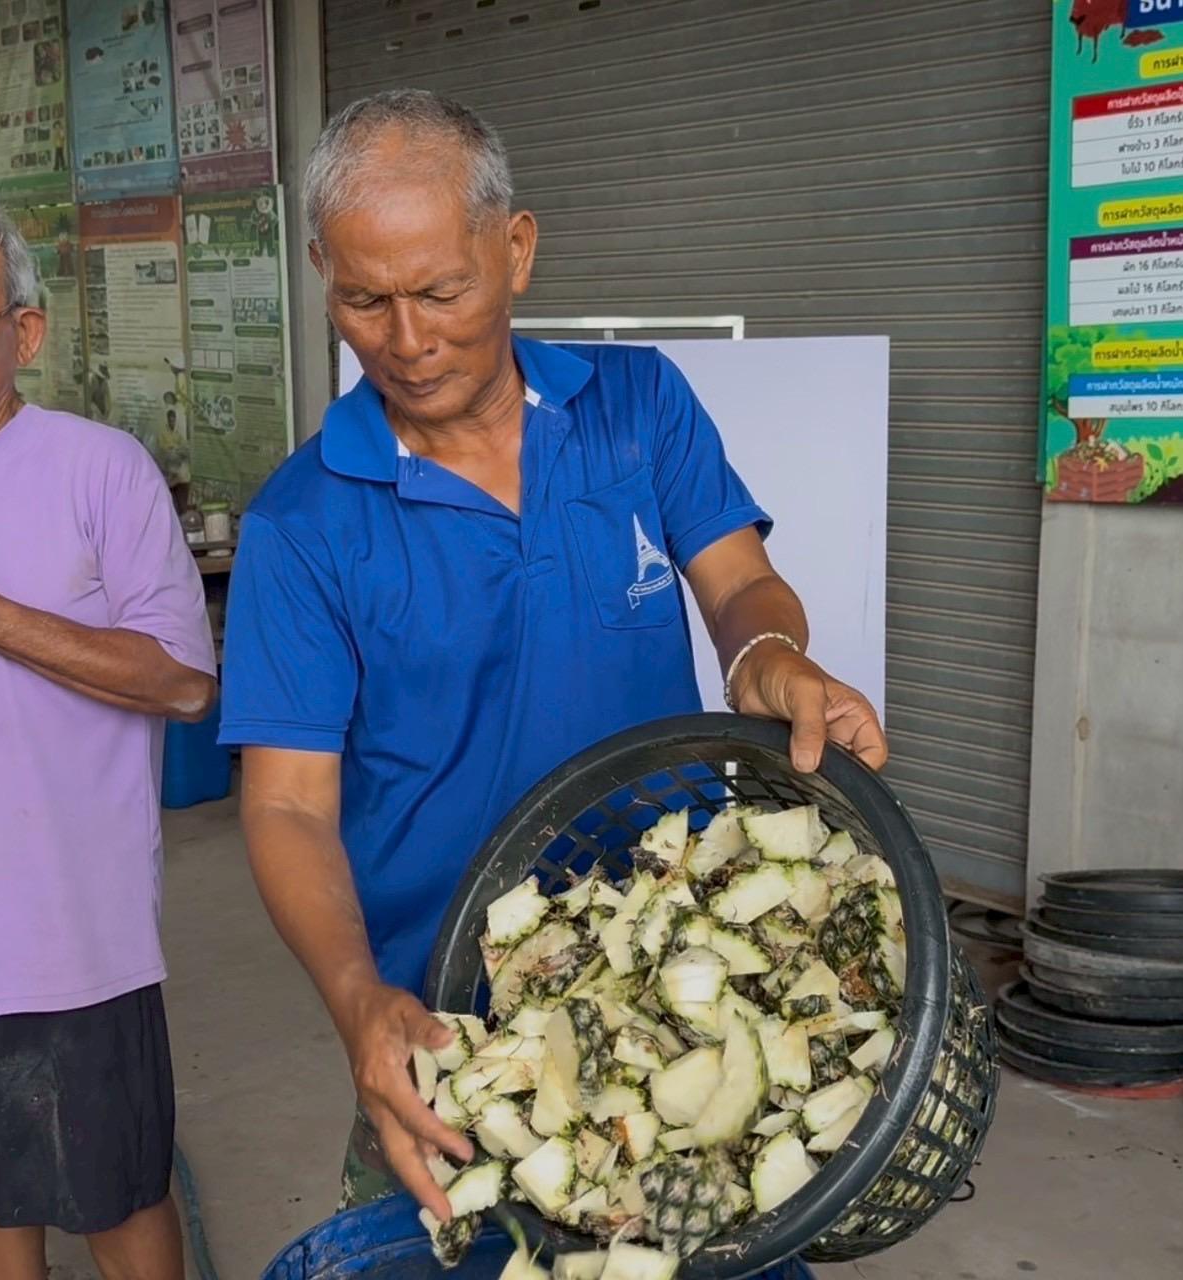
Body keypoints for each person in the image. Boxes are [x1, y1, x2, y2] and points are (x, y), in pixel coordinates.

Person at [218, 90, 888, 1225]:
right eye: (363, 299)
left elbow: (735, 583)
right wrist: (355, 1001)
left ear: (514, 249)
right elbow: (285, 806)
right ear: (323, 273)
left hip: (681, 960)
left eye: (440, 290)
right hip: (450, 1015)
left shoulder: (633, 407)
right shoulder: (302, 524)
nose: (408, 338)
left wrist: (769, 654)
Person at [0, 171, 216, 1280]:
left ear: (24, 331)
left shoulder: (98, 469)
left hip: (64, 938)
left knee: (114, 1191)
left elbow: (185, 683)